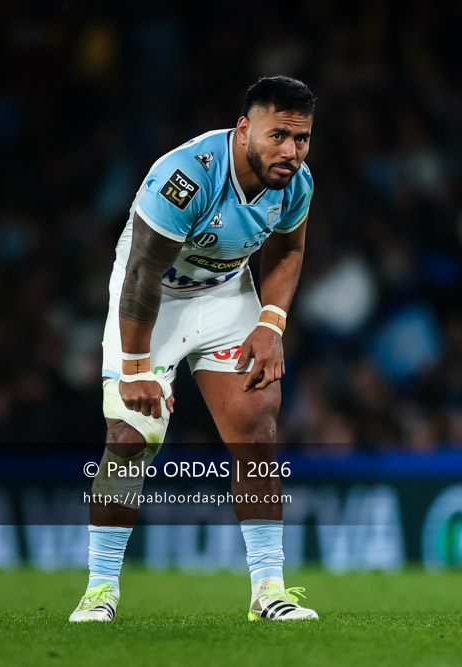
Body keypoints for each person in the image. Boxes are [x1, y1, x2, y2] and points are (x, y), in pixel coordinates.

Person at [70, 76, 318, 622]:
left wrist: (270, 324)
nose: (291, 152)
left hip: (226, 294)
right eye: (279, 136)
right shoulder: (186, 176)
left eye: (301, 139)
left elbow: (287, 250)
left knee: (256, 426)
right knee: (131, 436)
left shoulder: (295, 182)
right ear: (244, 128)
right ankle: (100, 591)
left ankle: (269, 590)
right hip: (152, 296)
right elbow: (142, 273)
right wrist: (136, 369)